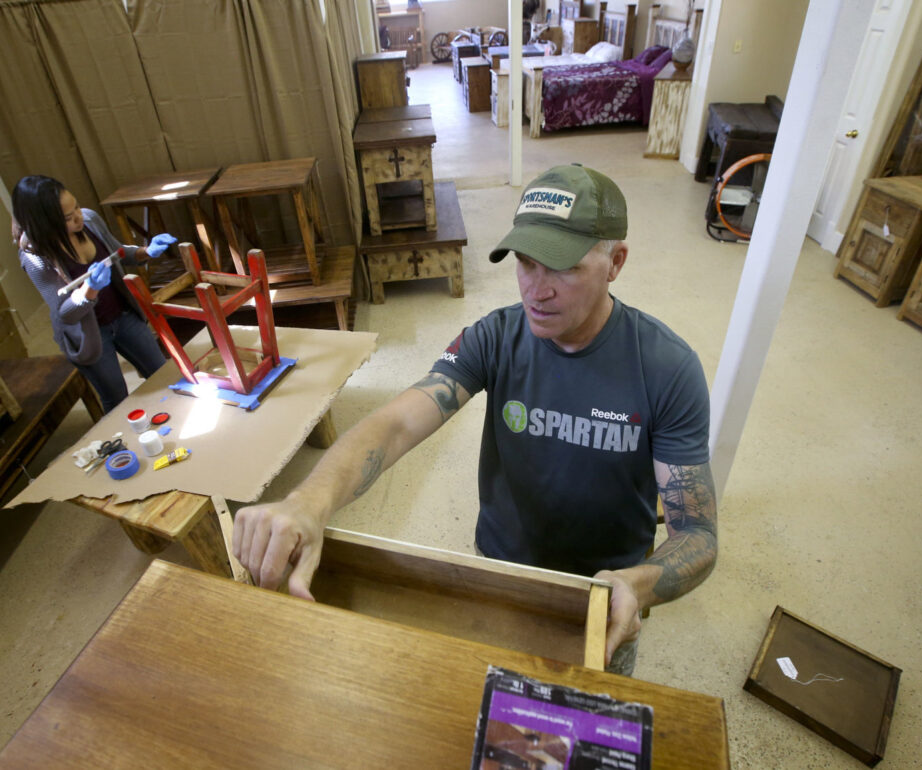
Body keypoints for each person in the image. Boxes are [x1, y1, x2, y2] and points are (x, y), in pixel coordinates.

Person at [232, 164, 717, 676]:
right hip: (500, 569)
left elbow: (698, 534)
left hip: (606, 595)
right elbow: (396, 425)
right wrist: (308, 502)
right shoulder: (494, 337)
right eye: (526, 262)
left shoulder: (666, 368)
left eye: (563, 268)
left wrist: (637, 585)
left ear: (615, 262)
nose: (536, 290)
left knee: (588, 712)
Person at [12, 175, 177, 413]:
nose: (78, 217)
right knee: (117, 398)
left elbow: (118, 252)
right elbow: (65, 313)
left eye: (76, 207)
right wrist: (90, 290)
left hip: (123, 315)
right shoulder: (35, 256)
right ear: (44, 223)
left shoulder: (89, 220)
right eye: (68, 218)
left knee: (162, 372)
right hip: (88, 334)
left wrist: (146, 251)